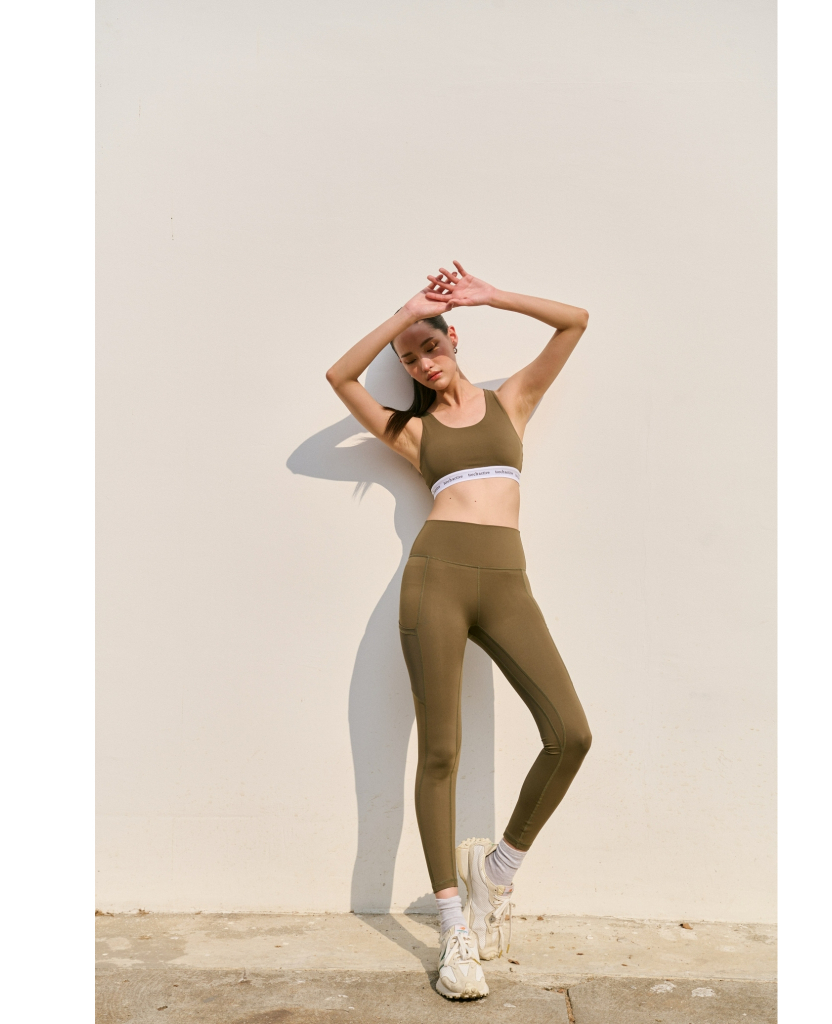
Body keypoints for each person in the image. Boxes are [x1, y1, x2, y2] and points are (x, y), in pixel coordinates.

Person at [326, 262, 592, 1001]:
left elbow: (575, 322)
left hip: (507, 584)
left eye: (430, 344)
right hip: (434, 580)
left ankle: (497, 873)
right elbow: (340, 377)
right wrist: (402, 314)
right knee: (440, 752)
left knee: (571, 733)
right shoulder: (411, 431)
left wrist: (490, 295)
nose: (422, 361)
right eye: (409, 357)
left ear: (453, 337)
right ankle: (454, 929)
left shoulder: (513, 401)